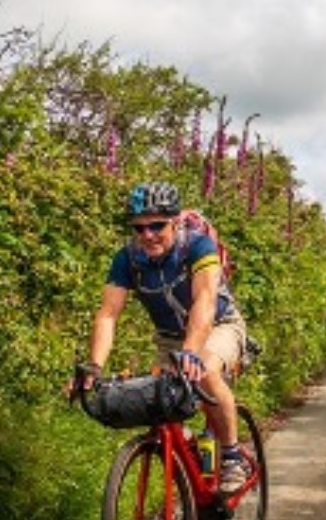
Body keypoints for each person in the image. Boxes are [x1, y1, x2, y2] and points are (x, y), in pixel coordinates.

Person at [80, 181, 252, 493]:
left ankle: (231, 456)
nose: (147, 235)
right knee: (157, 401)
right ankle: (186, 486)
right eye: (139, 228)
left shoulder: (197, 247)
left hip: (219, 326)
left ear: (174, 222)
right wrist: (93, 366)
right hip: (169, 337)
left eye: (157, 225)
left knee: (205, 372)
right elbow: (108, 313)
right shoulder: (128, 259)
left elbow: (205, 302)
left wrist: (190, 352)